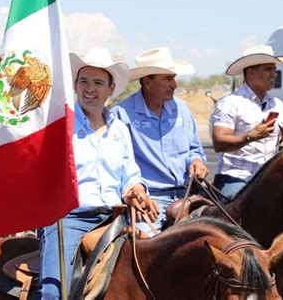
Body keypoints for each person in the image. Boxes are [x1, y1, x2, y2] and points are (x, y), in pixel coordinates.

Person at [38, 47, 158, 299]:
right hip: (69, 219)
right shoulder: (60, 126)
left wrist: (136, 189)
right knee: (53, 292)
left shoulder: (120, 130)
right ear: (75, 85)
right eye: (83, 81)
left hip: (115, 221)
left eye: (98, 82)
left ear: (111, 89)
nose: (89, 88)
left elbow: (131, 175)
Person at [112, 47, 208, 236]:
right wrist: (139, 196)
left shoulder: (182, 109)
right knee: (145, 246)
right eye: (167, 78)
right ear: (147, 81)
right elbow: (118, 165)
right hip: (149, 199)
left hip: (188, 195)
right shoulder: (121, 115)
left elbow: (194, 149)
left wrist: (197, 162)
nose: (175, 84)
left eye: (174, 77)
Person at [211, 45, 283, 199]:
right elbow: (219, 142)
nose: (274, 74)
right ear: (251, 72)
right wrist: (250, 136)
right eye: (268, 69)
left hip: (269, 178)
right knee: (234, 218)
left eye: (274, 69)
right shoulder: (230, 103)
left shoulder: (277, 104)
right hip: (236, 177)